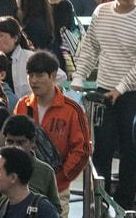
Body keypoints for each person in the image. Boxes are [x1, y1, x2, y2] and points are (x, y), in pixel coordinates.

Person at [71, 0, 136, 209]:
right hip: (104, 89)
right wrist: (79, 75)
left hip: (135, 92)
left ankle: (125, 204)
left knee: (130, 150)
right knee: (102, 148)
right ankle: (100, 201)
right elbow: (90, 47)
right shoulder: (101, 12)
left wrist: (121, 88)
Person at [14, 51, 90, 193]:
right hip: (24, 188)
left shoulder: (72, 110)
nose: (34, 80)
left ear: (53, 75)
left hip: (57, 190)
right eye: (30, 75)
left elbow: (82, 150)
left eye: (40, 75)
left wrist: (61, 177)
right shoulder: (22, 106)